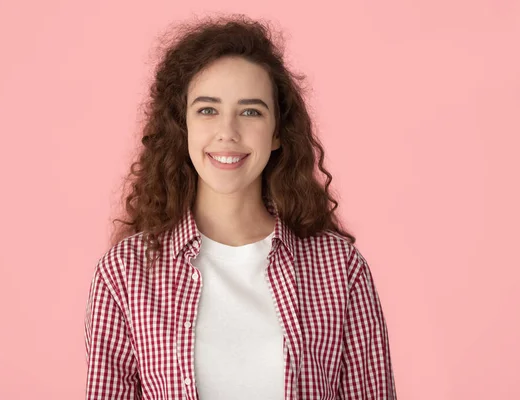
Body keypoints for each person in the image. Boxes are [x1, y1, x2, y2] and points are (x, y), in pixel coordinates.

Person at [84, 14, 396, 400]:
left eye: (250, 111)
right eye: (207, 110)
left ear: (278, 132)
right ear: (182, 127)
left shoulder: (339, 269)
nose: (227, 131)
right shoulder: (125, 275)